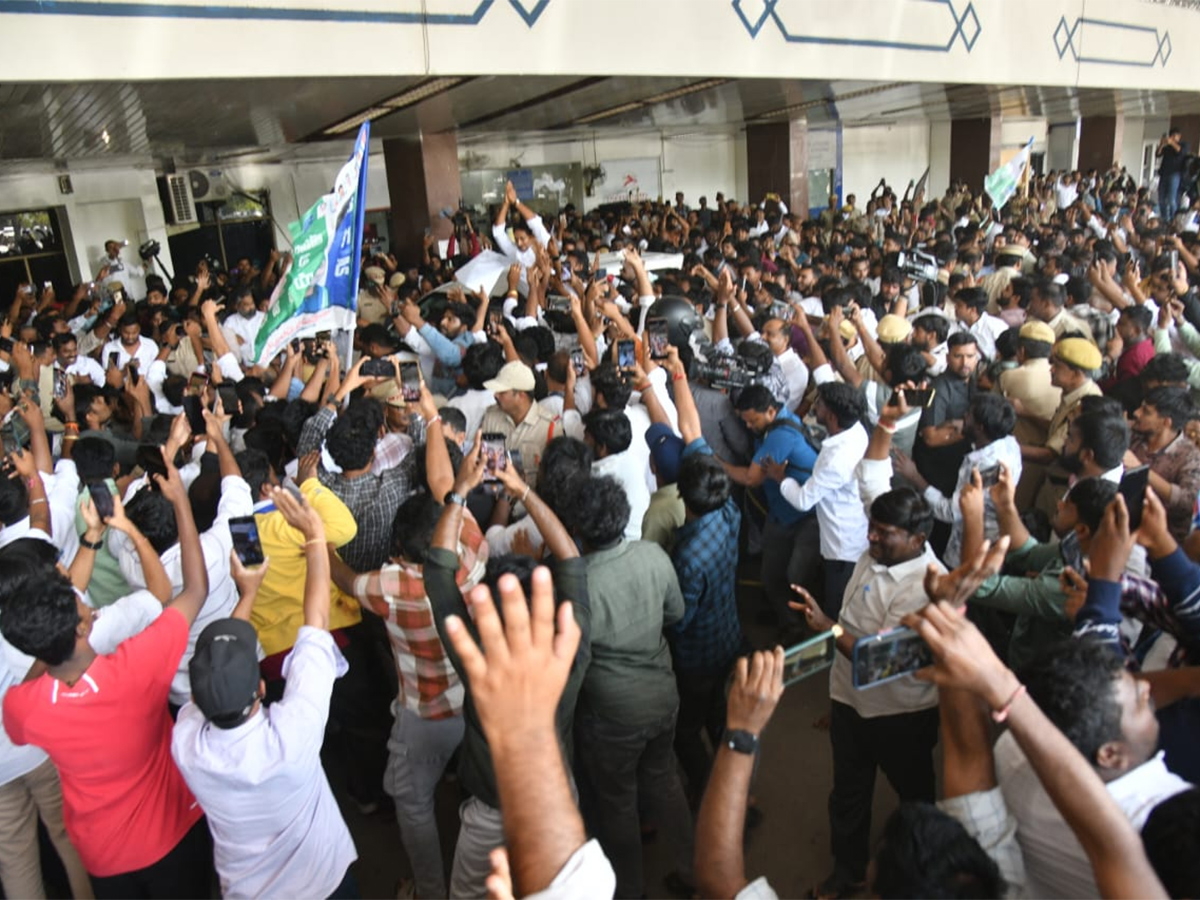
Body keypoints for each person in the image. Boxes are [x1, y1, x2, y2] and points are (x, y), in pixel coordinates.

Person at [1, 451, 213, 897]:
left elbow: (41, 658)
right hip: (169, 834)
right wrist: (170, 507)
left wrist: (89, 546)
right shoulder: (138, 665)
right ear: (82, 626)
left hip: (102, 855)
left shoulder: (22, 706)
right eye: (76, 598)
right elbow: (193, 588)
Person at [171, 487, 358, 899]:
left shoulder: (187, 744)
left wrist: (249, 594)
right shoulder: (293, 732)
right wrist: (313, 536)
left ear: (196, 703)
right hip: (325, 880)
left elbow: (313, 625)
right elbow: (317, 620)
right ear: (260, 689)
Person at [789, 488, 946, 899]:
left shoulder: (928, 587)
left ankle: (923, 872)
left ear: (918, 537)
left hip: (901, 716)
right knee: (848, 794)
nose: (870, 537)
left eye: (883, 532)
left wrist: (827, 628)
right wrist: (839, 699)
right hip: (850, 705)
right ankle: (849, 871)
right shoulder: (876, 555)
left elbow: (879, 662)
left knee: (915, 798)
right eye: (872, 528)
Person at [573, 474, 695, 898]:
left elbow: (573, 659)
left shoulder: (578, 585)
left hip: (612, 716)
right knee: (664, 780)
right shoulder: (652, 556)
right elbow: (675, 614)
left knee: (618, 800)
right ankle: (694, 870)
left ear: (579, 529)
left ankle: (630, 889)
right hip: (663, 697)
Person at [762, 382, 870, 617]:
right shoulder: (856, 430)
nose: (814, 407)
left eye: (819, 405)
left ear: (831, 416)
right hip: (852, 529)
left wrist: (781, 479)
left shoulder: (835, 459)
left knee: (835, 606)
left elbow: (802, 500)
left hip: (842, 547)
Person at [722, 384, 819, 640]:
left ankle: (803, 627)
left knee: (796, 576)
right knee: (770, 573)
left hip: (806, 517)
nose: (750, 427)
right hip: (780, 513)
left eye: (753, 421)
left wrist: (716, 461)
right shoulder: (774, 423)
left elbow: (751, 478)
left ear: (771, 411)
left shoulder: (781, 435)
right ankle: (785, 617)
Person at [1127, 386, 1200, 542]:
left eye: (1146, 411)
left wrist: (1142, 472)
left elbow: (1187, 502)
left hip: (1161, 540)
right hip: (1124, 524)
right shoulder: (1134, 436)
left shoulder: (1190, 457)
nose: (1137, 413)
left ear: (1166, 422)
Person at [1157, 127, 1187, 223]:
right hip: (1164, 174)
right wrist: (1162, 144)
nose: (1173, 138)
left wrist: (1172, 143)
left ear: (1179, 137)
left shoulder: (1183, 145)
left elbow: (1181, 152)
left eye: (1175, 136)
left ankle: (1174, 219)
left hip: (1175, 174)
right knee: (1161, 199)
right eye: (1172, 136)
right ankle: (1164, 218)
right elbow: (1158, 154)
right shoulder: (1167, 147)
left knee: (1171, 199)